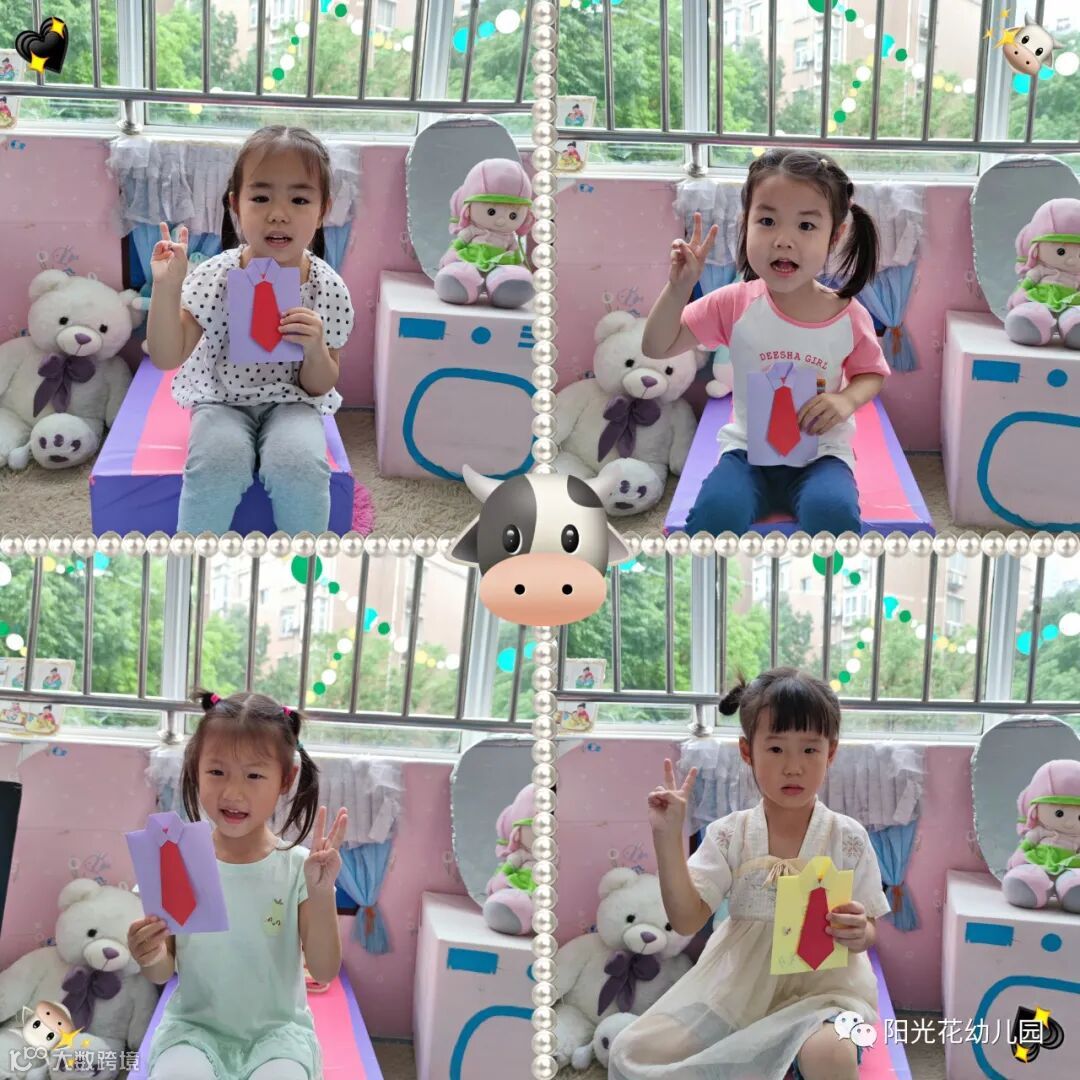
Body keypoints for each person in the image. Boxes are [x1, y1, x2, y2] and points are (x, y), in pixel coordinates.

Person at [610, 667, 891, 1080]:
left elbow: (868, 929)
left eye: (809, 750)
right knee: (632, 1051)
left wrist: (858, 931)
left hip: (825, 995)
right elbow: (686, 920)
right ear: (747, 751)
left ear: (830, 752)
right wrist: (668, 837)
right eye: (776, 749)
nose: (793, 767)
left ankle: (798, 1056)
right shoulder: (730, 835)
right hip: (737, 994)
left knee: (832, 1055)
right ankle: (778, 1058)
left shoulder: (847, 837)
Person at [643, 148, 890, 535]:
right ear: (746, 224)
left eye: (806, 226)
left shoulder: (848, 315)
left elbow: (871, 373)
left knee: (834, 515)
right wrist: (678, 288)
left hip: (822, 455)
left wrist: (846, 400)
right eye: (768, 221)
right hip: (747, 453)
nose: (783, 240)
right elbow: (656, 347)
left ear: (835, 235)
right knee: (714, 516)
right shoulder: (733, 303)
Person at [128, 690, 349, 1080]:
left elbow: (324, 969)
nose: (233, 792)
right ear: (195, 768)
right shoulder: (175, 859)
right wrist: (148, 954)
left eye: (254, 775)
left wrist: (320, 893)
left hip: (278, 1038)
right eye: (217, 772)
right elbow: (163, 971)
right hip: (193, 1032)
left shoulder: (297, 868)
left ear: (286, 779)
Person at [146, 125, 354, 534]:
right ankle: (193, 559)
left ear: (322, 211)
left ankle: (304, 562)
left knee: (300, 466)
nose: (278, 213)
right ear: (235, 206)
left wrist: (315, 349)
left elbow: (319, 385)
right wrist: (167, 288)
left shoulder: (327, 287)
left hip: (294, 402)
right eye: (260, 198)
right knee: (216, 465)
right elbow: (167, 356)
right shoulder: (215, 276)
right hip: (221, 399)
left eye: (299, 199)